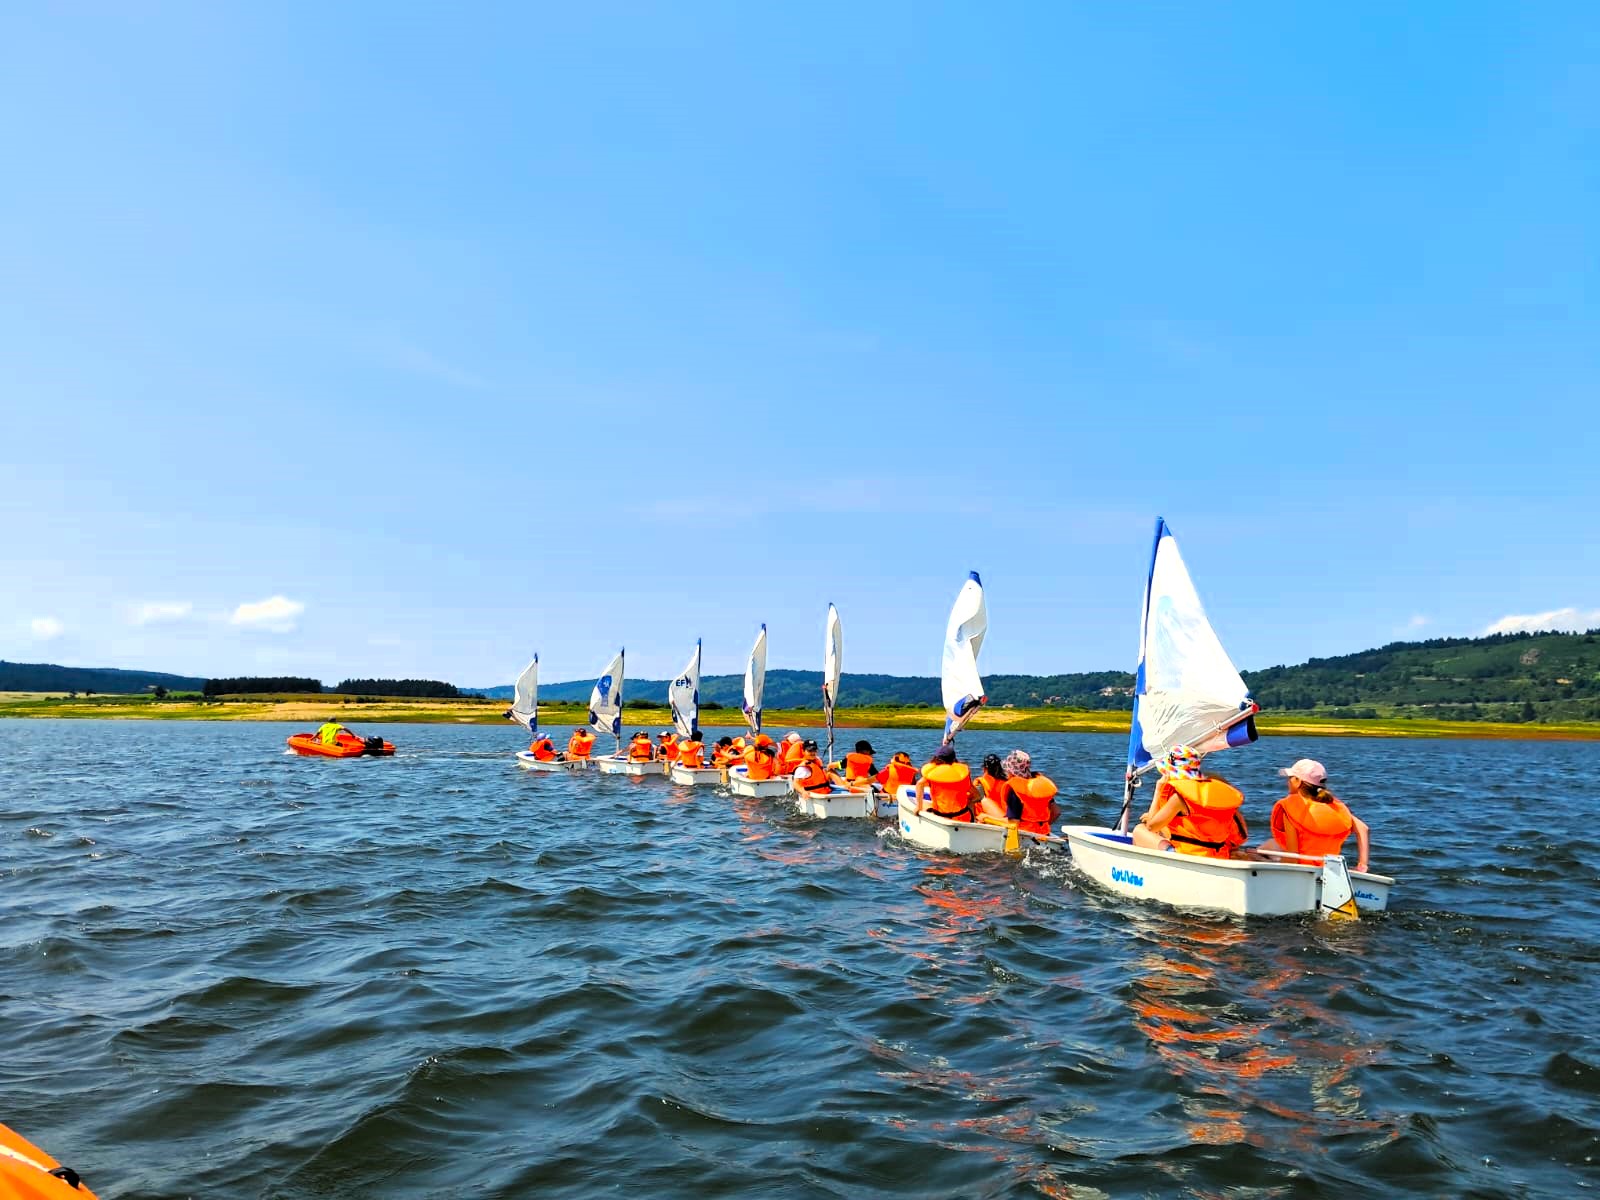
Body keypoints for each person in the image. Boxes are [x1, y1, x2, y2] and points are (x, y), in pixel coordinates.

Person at [1131, 745, 1248, 858]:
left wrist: (1158, 790)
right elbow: (1240, 835)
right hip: (1219, 855)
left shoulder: (1179, 799)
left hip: (1189, 856)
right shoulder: (1218, 794)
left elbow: (1152, 827)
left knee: (1139, 830)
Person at [1259, 759, 1370, 873]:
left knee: (1262, 851)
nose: (1287, 782)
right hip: (1329, 868)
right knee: (1272, 845)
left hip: (1302, 869)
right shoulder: (1335, 807)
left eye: (1290, 778)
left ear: (1297, 781)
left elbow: (1293, 857)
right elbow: (1363, 829)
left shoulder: (1290, 807)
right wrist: (1362, 866)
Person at [1001, 749, 1060, 837]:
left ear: (1011, 771)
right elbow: (1056, 812)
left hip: (1024, 836)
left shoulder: (1016, 789)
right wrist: (1042, 827)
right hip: (1044, 834)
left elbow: (1013, 824)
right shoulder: (1040, 786)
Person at [916, 742, 976, 822]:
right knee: (970, 801)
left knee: (925, 804)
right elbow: (977, 795)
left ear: (935, 759)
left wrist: (918, 807)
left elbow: (919, 784)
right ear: (954, 759)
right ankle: (974, 820)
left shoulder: (933, 775)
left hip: (940, 817)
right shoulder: (962, 776)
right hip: (962, 817)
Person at [975, 753, 1011, 819]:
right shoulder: (1007, 783)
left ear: (984, 768)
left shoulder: (980, 782)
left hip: (990, 817)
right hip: (1007, 815)